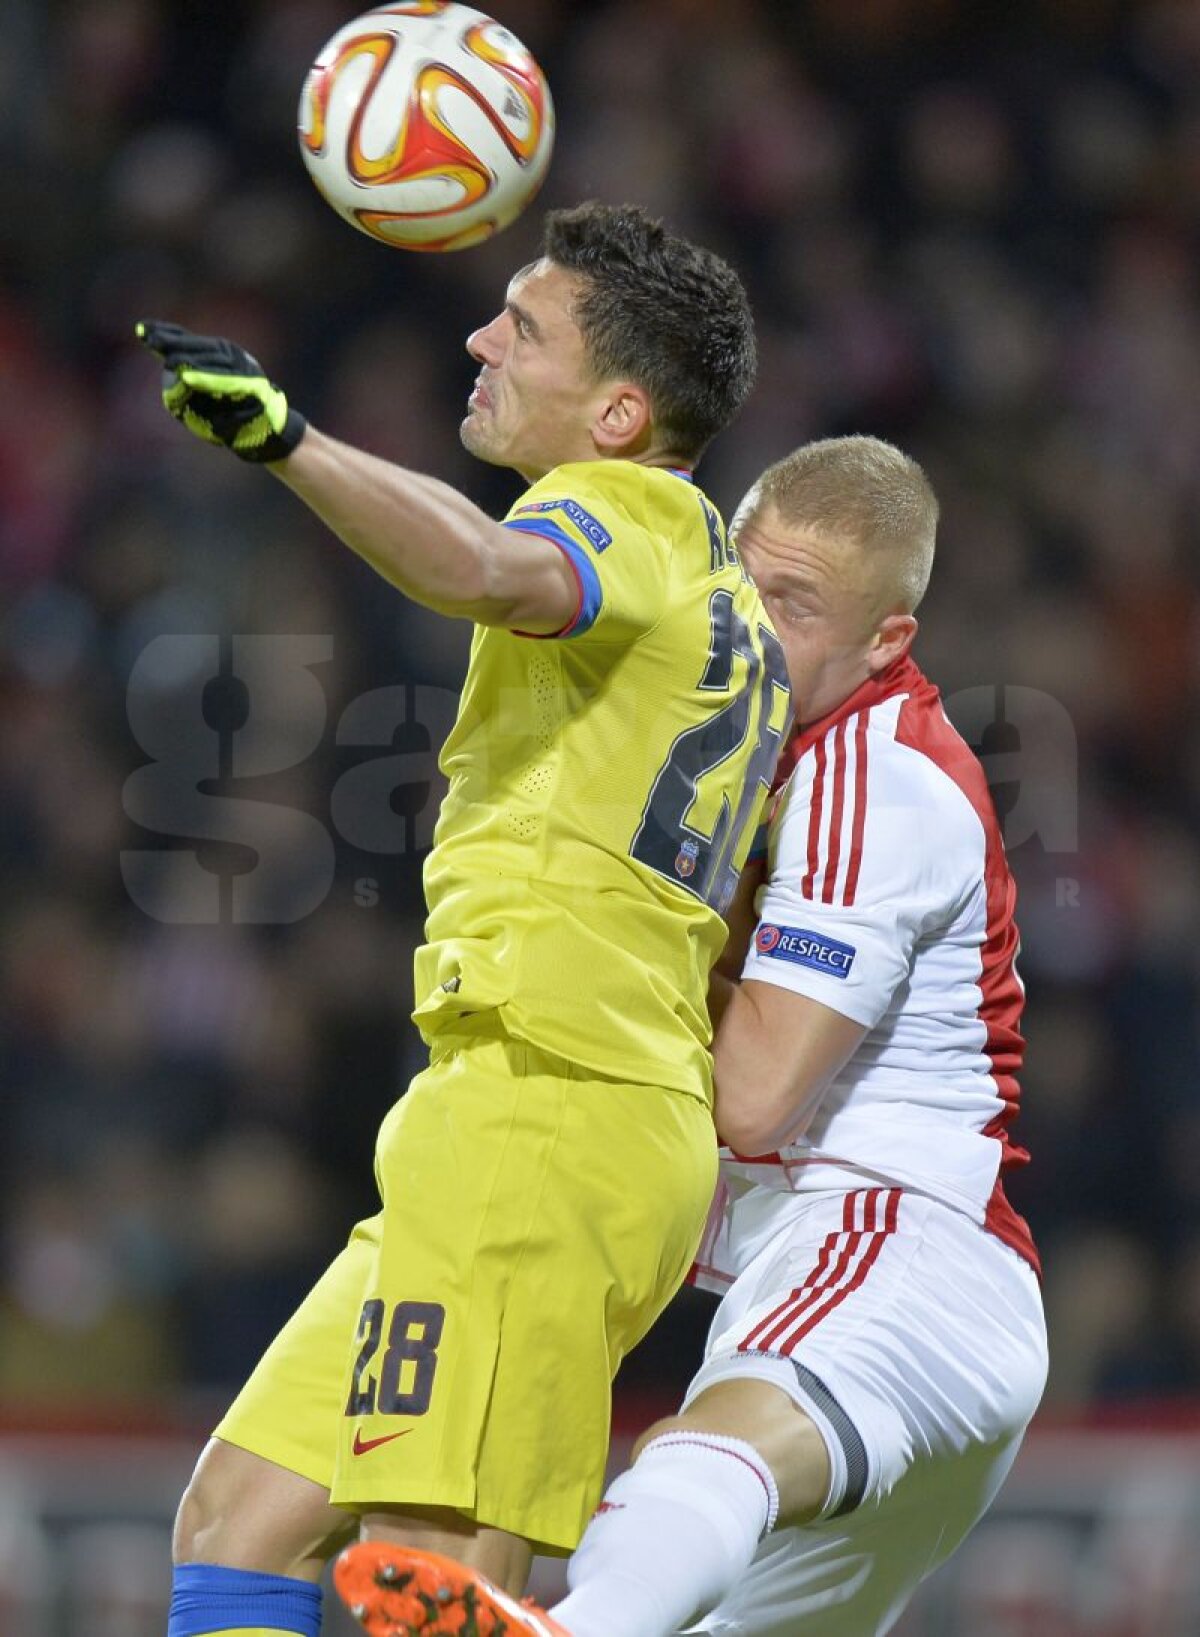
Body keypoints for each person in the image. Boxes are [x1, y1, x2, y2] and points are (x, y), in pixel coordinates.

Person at [138, 202, 792, 1637]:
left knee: (424, 1579)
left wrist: (285, 440)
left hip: (543, 1123)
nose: (479, 338)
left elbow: (491, 572)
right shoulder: (720, 592)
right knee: (240, 1512)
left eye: (525, 326)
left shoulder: (620, 516)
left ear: (620, 411)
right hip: (532, 1114)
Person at [351, 435, 1048, 1636]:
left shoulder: (870, 779)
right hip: (855, 1299)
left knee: (702, 1446)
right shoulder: (731, 742)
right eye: (746, 581)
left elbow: (755, 1097)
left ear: (887, 639)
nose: (758, 625)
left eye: (800, 605)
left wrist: (596, 964)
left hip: (889, 1240)